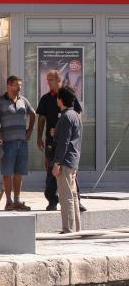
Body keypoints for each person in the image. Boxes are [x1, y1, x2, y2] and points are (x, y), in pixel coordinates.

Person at [35, 69, 84, 211]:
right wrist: (39, 137)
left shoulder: (67, 95)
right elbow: (41, 118)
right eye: (47, 80)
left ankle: (76, 200)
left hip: (68, 142)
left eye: (51, 79)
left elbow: (78, 114)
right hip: (52, 142)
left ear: (59, 80)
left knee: (70, 171)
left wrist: (75, 133)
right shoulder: (46, 98)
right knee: (52, 170)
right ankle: (52, 200)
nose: (48, 82)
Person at [0, 75, 35, 211]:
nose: (19, 88)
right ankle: (9, 201)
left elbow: (33, 114)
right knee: (7, 172)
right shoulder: (1, 101)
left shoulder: (23, 101)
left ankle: (17, 200)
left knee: (19, 172)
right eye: (16, 85)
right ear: (8, 85)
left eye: (20, 85)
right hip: (7, 142)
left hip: (22, 142)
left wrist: (30, 130)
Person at [52, 87, 82, 233]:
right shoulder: (75, 115)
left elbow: (64, 142)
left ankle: (68, 229)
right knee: (73, 196)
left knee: (66, 196)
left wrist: (57, 162)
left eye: (58, 98)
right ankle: (76, 228)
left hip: (65, 161)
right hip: (73, 160)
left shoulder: (65, 117)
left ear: (61, 100)